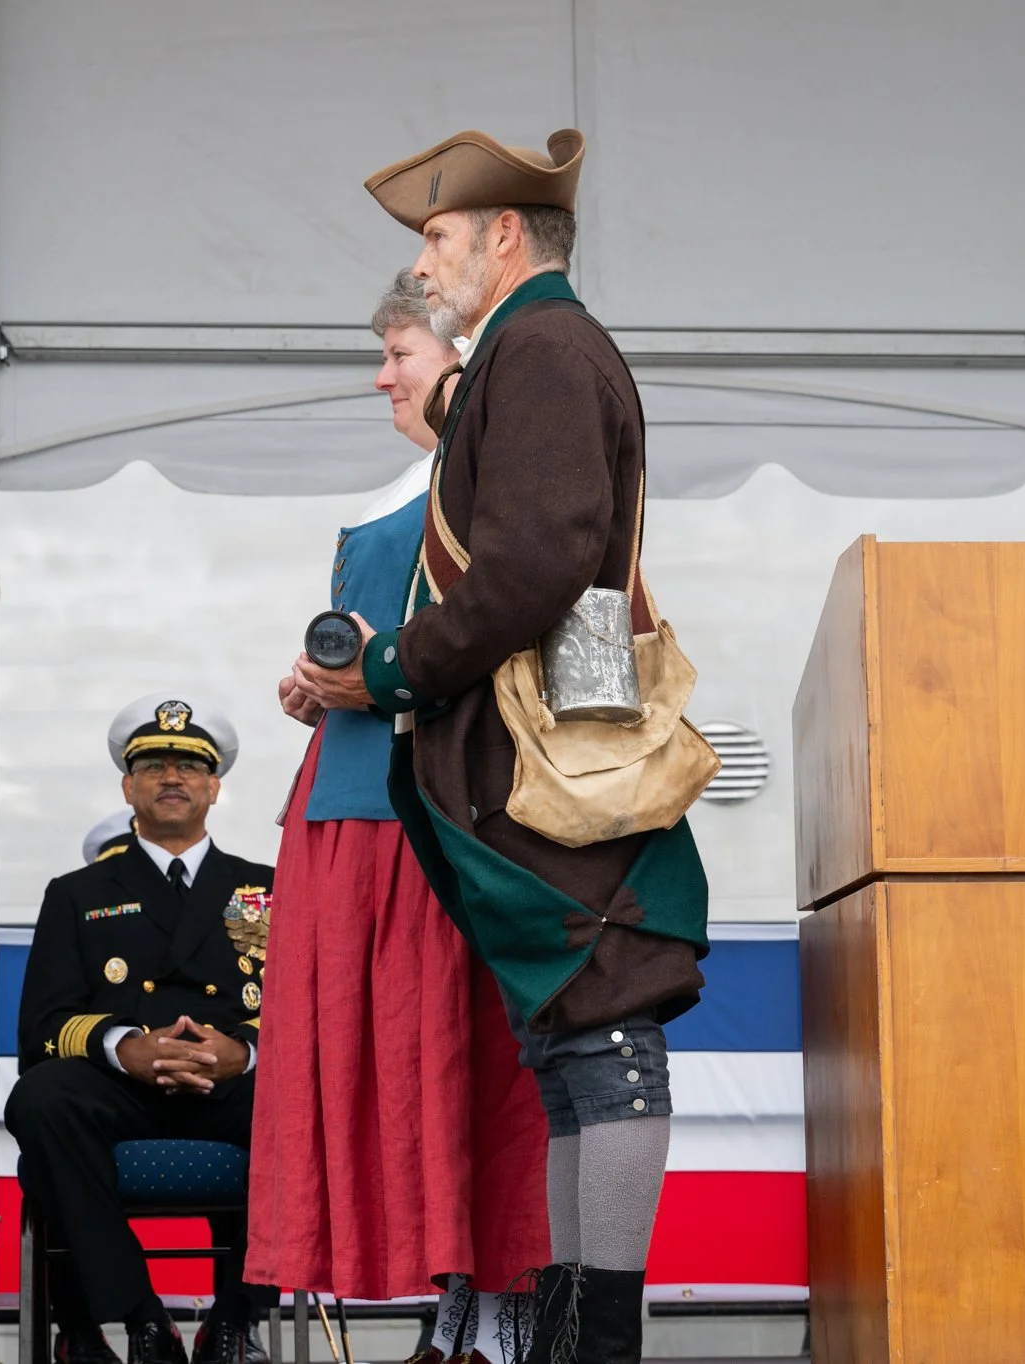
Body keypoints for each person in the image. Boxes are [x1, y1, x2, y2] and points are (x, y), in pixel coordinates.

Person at [295, 130, 711, 1363]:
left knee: (606, 1034)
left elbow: (534, 559)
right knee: (574, 1048)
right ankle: (582, 1341)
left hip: (557, 760)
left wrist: (388, 665)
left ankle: (601, 1345)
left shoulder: (535, 345)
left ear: (504, 236)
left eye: (435, 239)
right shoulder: (533, 348)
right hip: (545, 747)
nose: (423, 267)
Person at [248, 274, 549, 1364]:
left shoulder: (495, 494)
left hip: (442, 809)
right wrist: (318, 683)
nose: (381, 375)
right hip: (353, 803)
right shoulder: (403, 489)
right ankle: (454, 1306)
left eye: (400, 355)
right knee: (405, 1071)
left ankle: (497, 1315)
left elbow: (494, 645)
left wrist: (376, 675)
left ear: (459, 365)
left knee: (468, 1064)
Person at [5, 697, 275, 1364]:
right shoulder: (78, 892)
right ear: (128, 786)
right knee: (42, 1099)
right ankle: (139, 1314)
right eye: (154, 766)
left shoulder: (271, 887)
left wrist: (242, 1051)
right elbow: (43, 1022)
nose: (172, 778)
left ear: (215, 786)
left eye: (190, 767)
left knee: (300, 1104)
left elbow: (310, 1008)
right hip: (122, 1089)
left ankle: (236, 1320)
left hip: (231, 1085)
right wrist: (125, 1047)